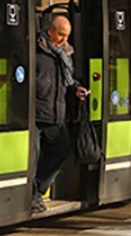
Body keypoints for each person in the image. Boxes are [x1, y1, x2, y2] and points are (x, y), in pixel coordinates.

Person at [32, 14, 89, 213]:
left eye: (67, 36)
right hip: (35, 114)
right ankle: (33, 197)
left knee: (61, 150)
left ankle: (37, 189)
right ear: (50, 32)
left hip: (55, 114)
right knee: (33, 155)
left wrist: (75, 88)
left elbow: (67, 79)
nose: (64, 39)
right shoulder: (35, 50)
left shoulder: (65, 54)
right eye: (60, 35)